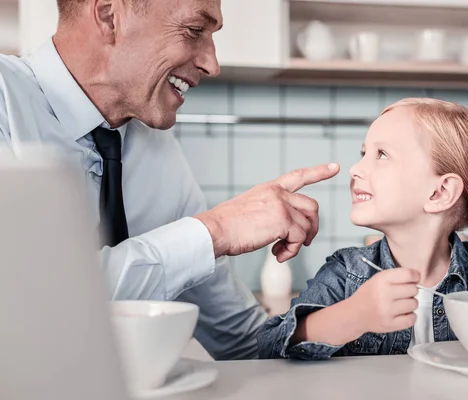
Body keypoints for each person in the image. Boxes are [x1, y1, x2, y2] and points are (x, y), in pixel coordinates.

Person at [0, 0, 339, 360]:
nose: (212, 63)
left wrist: (348, 328)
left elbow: (239, 335)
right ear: (108, 16)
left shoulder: (154, 145)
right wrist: (215, 230)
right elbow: (29, 301)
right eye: (195, 31)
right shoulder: (6, 100)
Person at [257, 98, 468, 360]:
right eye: (363, 153)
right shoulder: (347, 273)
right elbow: (268, 349)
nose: (355, 169)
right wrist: (352, 316)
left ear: (439, 193)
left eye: (381, 155)